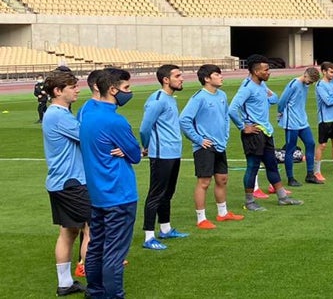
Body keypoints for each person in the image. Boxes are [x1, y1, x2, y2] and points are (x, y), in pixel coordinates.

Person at [79, 68, 142, 299]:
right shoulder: (115, 120)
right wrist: (125, 151)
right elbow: (135, 154)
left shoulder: (87, 111)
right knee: (114, 253)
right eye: (126, 88)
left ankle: (94, 292)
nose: (129, 92)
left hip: (97, 193)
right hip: (119, 193)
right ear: (113, 90)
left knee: (96, 246)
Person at [229, 55, 302, 210]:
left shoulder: (261, 85)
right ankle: (249, 202)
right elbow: (232, 109)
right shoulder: (247, 88)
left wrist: (267, 95)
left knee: (272, 164)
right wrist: (243, 127)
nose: (269, 72)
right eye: (266, 70)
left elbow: (274, 98)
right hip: (254, 133)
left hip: (266, 131)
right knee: (253, 166)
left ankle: (282, 197)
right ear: (256, 71)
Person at [42, 68, 89, 297]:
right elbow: (88, 137)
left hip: (60, 183)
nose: (77, 90)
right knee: (93, 228)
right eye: (72, 87)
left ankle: (65, 283)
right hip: (72, 183)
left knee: (68, 232)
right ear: (58, 91)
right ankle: (96, 282)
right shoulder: (59, 115)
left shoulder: (57, 113)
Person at [179, 64, 244, 229]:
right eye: (217, 74)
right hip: (205, 147)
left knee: (222, 179)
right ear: (207, 78)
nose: (221, 77)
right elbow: (184, 120)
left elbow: (225, 117)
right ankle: (201, 219)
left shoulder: (221, 95)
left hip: (220, 144)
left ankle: (223, 213)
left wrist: (225, 136)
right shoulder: (199, 97)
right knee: (204, 182)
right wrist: (199, 139)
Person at [138, 64, 188, 250]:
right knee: (156, 194)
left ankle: (165, 229)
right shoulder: (157, 99)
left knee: (168, 193)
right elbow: (145, 127)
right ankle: (148, 236)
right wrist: (146, 146)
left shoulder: (170, 99)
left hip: (174, 152)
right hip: (161, 153)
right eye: (177, 75)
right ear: (166, 80)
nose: (181, 78)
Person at [276, 66, 320, 187]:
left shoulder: (305, 85)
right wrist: (280, 114)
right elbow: (282, 101)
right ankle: (290, 178)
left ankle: (310, 174)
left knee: (310, 143)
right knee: (290, 148)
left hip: (302, 121)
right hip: (292, 123)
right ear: (305, 75)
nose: (310, 84)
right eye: (310, 81)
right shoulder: (294, 84)